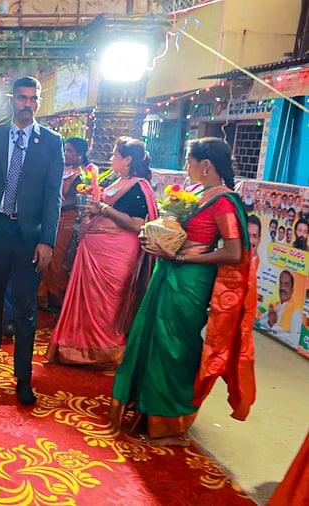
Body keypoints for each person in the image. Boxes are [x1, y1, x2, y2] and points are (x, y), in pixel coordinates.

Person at [109, 137, 256, 447]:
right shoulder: (195, 192)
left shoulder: (225, 201)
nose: (186, 168)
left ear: (206, 165)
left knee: (175, 345)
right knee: (152, 337)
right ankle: (148, 408)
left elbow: (233, 253)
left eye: (189, 162)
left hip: (191, 278)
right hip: (170, 268)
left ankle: (171, 420)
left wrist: (182, 256)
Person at [0, 76, 64, 406]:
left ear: (39, 102)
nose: (28, 105)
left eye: (34, 99)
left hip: (29, 237)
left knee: (25, 306)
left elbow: (53, 197)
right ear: (12, 101)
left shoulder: (51, 142)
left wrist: (47, 240)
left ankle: (23, 376)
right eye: (22, 98)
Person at [46, 137, 158, 368]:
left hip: (115, 256)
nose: (111, 159)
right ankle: (78, 348)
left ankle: (105, 351)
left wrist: (104, 209)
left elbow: (137, 224)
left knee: (107, 304)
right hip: (95, 251)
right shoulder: (119, 180)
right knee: (90, 303)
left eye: (115, 155)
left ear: (127, 160)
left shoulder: (138, 186)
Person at [37, 137, 89, 312]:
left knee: (59, 259)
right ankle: (44, 297)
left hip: (67, 220)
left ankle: (57, 298)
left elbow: (75, 201)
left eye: (70, 151)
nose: (65, 153)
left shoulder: (82, 175)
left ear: (80, 155)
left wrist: (53, 203)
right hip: (53, 218)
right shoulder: (63, 169)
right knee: (46, 256)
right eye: (64, 150)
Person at [260, 269, 302, 345]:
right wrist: (270, 323)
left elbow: (294, 341)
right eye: (281, 283)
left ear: (292, 290)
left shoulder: (296, 312)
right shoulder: (276, 305)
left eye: (286, 284)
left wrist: (273, 325)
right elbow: (260, 323)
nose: (282, 288)